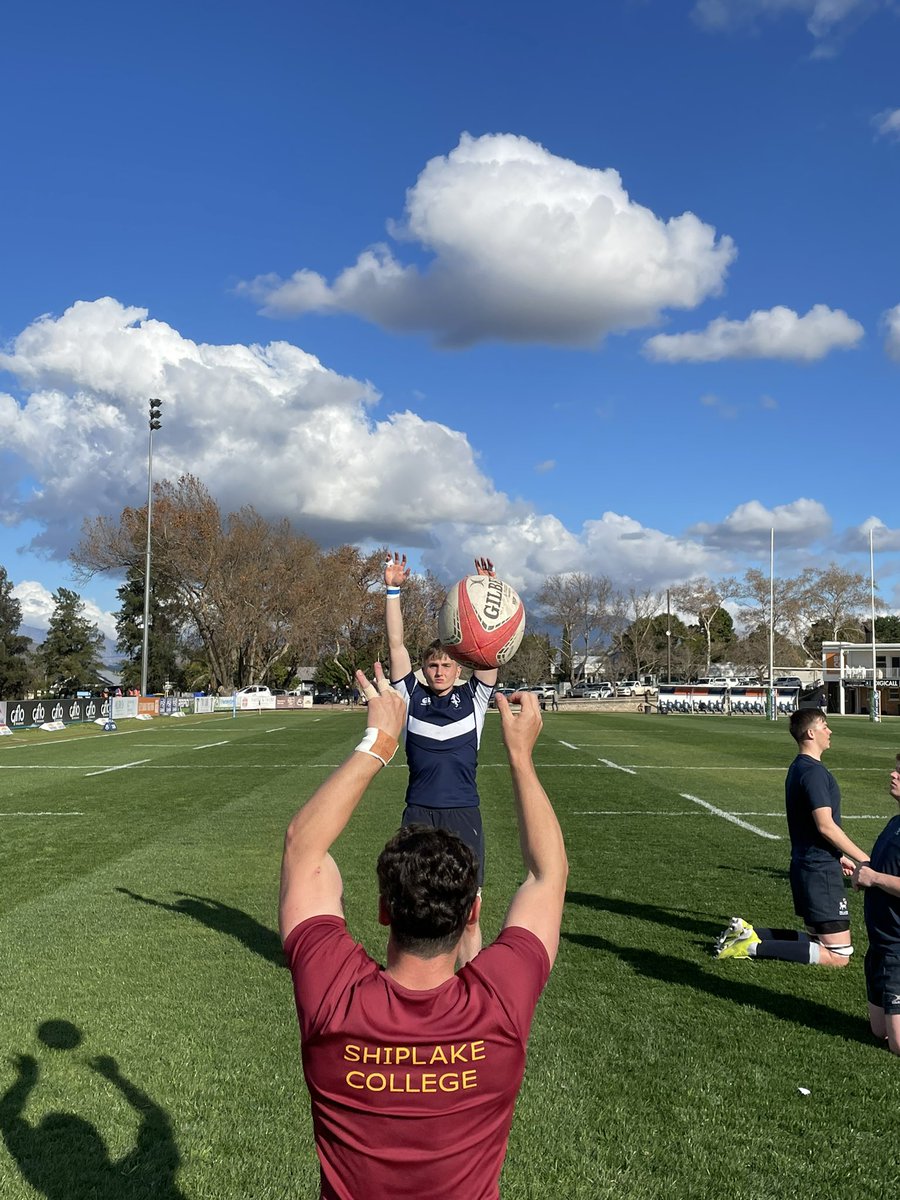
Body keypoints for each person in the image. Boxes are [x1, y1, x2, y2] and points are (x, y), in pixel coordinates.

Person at [279, 666, 567, 1200]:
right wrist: (522, 759)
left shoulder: (334, 995)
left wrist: (379, 741)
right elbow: (548, 875)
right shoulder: (498, 1001)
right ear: (473, 912)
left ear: (384, 911)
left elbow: (304, 850)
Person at [384, 551, 499, 965]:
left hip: (463, 815)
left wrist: (485, 592)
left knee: (468, 914)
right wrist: (393, 588)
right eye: (432, 665)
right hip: (417, 814)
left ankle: (471, 987)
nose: (439, 671)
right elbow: (396, 644)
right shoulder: (410, 696)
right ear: (424, 669)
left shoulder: (475, 698)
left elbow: (490, 651)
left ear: (458, 668)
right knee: (406, 909)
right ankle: (405, 985)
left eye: (447, 664)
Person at [716, 709, 869, 964]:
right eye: (825, 726)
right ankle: (749, 947)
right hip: (819, 871)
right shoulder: (814, 772)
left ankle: (747, 933)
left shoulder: (799, 767)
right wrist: (865, 860)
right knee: (839, 955)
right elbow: (825, 826)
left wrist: (838, 856)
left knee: (817, 942)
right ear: (811, 733)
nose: (829, 731)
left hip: (808, 865)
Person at [852, 755, 900, 1053]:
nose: (893, 775)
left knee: (898, 1045)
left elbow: (882, 878)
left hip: (898, 946)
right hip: (879, 945)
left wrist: (875, 878)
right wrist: (861, 869)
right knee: (878, 1031)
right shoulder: (895, 822)